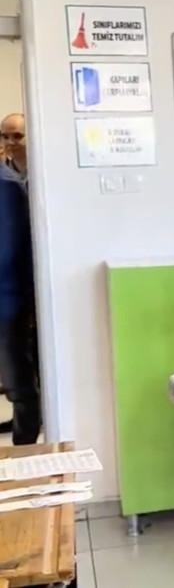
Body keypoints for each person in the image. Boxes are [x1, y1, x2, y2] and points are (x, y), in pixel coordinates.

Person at [0, 118, 38, 445]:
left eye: (17, 135)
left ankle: (25, 449)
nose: (11, 142)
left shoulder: (8, 188)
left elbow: (8, 250)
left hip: (9, 299)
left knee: (18, 380)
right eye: (6, 136)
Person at [1, 113, 26, 181]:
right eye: (5, 137)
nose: (10, 142)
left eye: (17, 136)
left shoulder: (45, 170)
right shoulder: (2, 174)